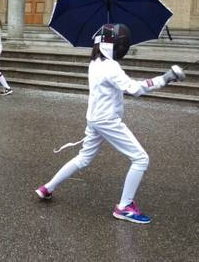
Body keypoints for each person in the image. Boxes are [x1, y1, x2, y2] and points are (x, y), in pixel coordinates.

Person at [35, 23, 185, 224]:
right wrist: (165, 78)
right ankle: (124, 207)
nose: (123, 46)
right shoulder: (110, 66)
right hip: (106, 120)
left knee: (83, 158)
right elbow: (134, 89)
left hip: (94, 118)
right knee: (141, 159)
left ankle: (47, 188)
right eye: (120, 43)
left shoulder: (95, 62)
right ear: (110, 45)